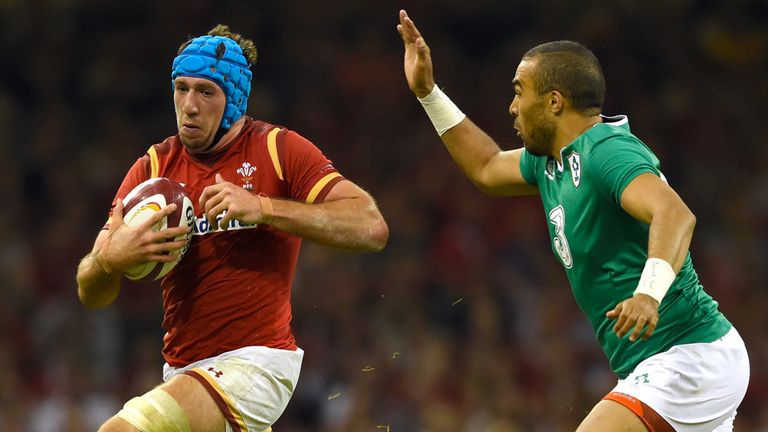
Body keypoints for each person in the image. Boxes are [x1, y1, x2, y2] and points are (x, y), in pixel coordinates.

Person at [397, 9, 749, 432]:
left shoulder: (606, 151)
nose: (511, 107)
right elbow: (487, 167)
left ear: (554, 101)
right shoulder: (551, 163)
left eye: (518, 92)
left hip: (689, 354)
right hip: (665, 362)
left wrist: (649, 295)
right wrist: (428, 93)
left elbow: (674, 213)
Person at [76, 24, 389, 432]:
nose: (189, 105)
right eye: (181, 88)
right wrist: (108, 261)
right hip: (183, 370)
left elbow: (370, 226)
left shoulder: (277, 149)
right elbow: (90, 292)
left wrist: (263, 208)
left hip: (257, 362)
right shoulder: (152, 170)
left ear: (235, 99)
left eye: (206, 92)